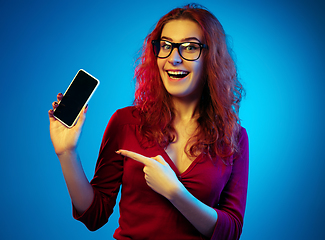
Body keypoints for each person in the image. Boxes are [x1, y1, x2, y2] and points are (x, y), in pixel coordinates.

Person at [49, 3, 249, 240]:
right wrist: (67, 153)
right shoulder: (125, 123)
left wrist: (176, 192)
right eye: (165, 46)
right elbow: (95, 216)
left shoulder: (234, 138)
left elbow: (231, 232)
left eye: (189, 47)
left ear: (210, 57)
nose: (174, 59)